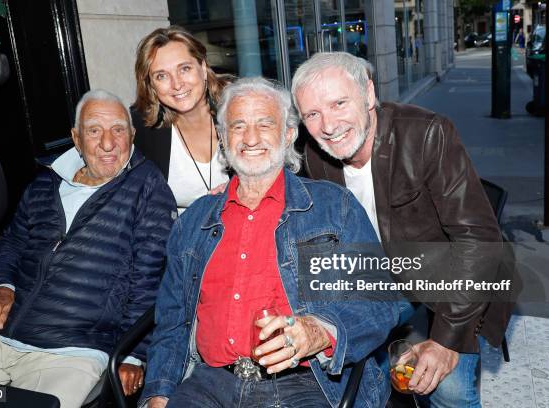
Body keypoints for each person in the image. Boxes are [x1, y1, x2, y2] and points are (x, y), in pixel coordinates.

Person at [140, 77, 405, 408]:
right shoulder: (194, 222)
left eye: (265, 124)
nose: (250, 139)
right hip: (209, 384)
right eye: (238, 127)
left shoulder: (332, 208)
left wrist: (320, 332)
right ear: (223, 138)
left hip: (306, 384)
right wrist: (159, 392)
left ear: (288, 133)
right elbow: (172, 321)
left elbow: (379, 303)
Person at [292, 52, 514, 407]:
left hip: (452, 275)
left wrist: (446, 341)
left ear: (368, 93)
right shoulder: (314, 153)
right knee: (328, 363)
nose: (328, 125)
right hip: (378, 275)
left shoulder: (427, 133)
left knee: (448, 388)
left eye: (339, 103)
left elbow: (478, 242)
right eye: (312, 114)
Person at [0, 89, 177, 408]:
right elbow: (10, 244)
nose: (108, 143)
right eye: (94, 131)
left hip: (73, 352)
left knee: (37, 405)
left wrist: (135, 354)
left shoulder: (147, 188)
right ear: (76, 138)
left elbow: (152, 280)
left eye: (118, 130)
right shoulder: (44, 183)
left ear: (132, 135)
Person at [132, 26, 232, 214]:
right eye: (161, 76)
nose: (177, 84)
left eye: (184, 69)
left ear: (202, 68)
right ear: (151, 85)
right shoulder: (142, 129)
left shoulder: (239, 108)